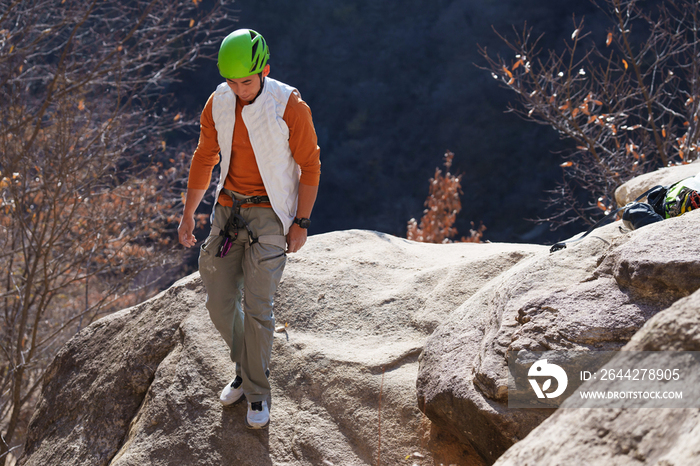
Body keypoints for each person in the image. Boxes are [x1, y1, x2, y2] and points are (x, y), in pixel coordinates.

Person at [177, 28, 321, 429]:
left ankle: (256, 391)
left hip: (271, 214)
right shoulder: (218, 103)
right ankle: (247, 366)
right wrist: (188, 213)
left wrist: (301, 223)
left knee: (259, 308)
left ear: (264, 70)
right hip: (227, 211)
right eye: (231, 81)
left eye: (246, 81)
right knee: (219, 302)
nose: (239, 89)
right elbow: (205, 157)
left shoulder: (288, 104)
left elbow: (310, 165)